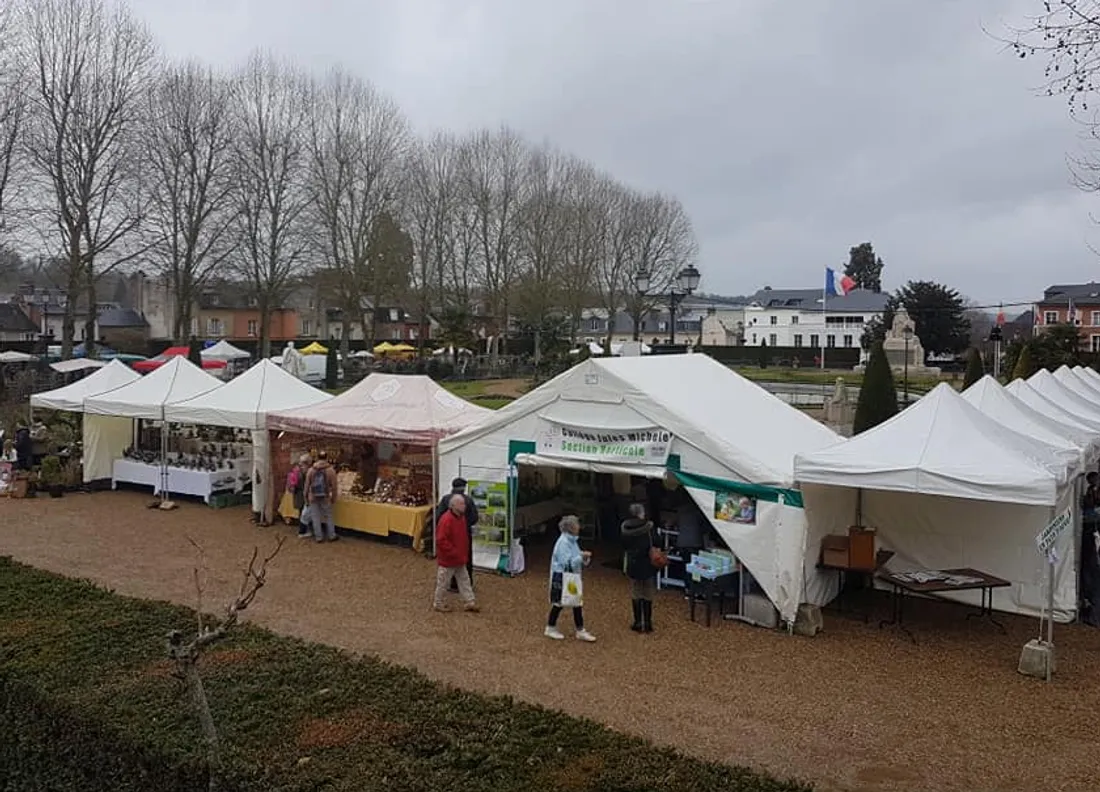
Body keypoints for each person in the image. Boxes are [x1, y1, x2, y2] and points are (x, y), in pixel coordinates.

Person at [545, 515, 596, 642]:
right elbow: (566, 563)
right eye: (577, 524)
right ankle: (550, 627)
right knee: (559, 603)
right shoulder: (563, 542)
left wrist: (583, 558)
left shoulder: (572, 541)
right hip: (562, 576)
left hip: (572, 576)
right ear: (570, 527)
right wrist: (581, 557)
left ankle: (580, 630)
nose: (579, 527)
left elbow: (575, 558)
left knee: (576, 602)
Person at [433, 494, 479, 613]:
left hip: (459, 557)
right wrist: (453, 552)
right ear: (453, 506)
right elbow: (441, 540)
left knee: (464, 580)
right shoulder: (446, 520)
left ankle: (469, 601)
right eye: (461, 504)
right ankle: (438, 603)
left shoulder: (461, 518)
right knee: (443, 582)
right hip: (449, 559)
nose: (464, 506)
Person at [435, 477, 479, 592]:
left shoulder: (445, 499)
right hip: (464, 534)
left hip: (449, 534)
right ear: (464, 488)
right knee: (466, 558)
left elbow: (438, 517)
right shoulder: (468, 500)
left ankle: (451, 584)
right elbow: (474, 518)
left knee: (449, 558)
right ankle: (467, 584)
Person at [620, 502, 658, 633]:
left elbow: (623, 545)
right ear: (641, 513)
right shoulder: (649, 527)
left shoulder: (625, 528)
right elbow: (656, 542)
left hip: (633, 563)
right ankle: (647, 623)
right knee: (648, 592)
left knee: (636, 591)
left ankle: (637, 622)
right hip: (647, 563)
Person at [675, 489, 705, 599]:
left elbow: (676, 524)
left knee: (686, 566)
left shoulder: (680, 510)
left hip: (682, 542)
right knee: (697, 569)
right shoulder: (698, 510)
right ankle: (697, 592)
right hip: (695, 542)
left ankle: (688, 589)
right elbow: (703, 526)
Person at [306, 450, 338, 543]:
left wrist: (306, 497)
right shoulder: (331, 470)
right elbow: (334, 486)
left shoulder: (311, 470)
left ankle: (319, 537)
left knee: (315, 516)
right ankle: (331, 535)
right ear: (327, 458)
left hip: (313, 496)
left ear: (317, 457)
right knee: (328, 515)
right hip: (325, 496)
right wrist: (334, 497)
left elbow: (307, 485)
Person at [286, 453, 312, 538]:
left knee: (302, 512)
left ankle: (304, 529)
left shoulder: (296, 470)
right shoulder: (303, 472)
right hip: (301, 494)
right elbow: (303, 483)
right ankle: (303, 531)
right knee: (303, 513)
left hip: (298, 494)